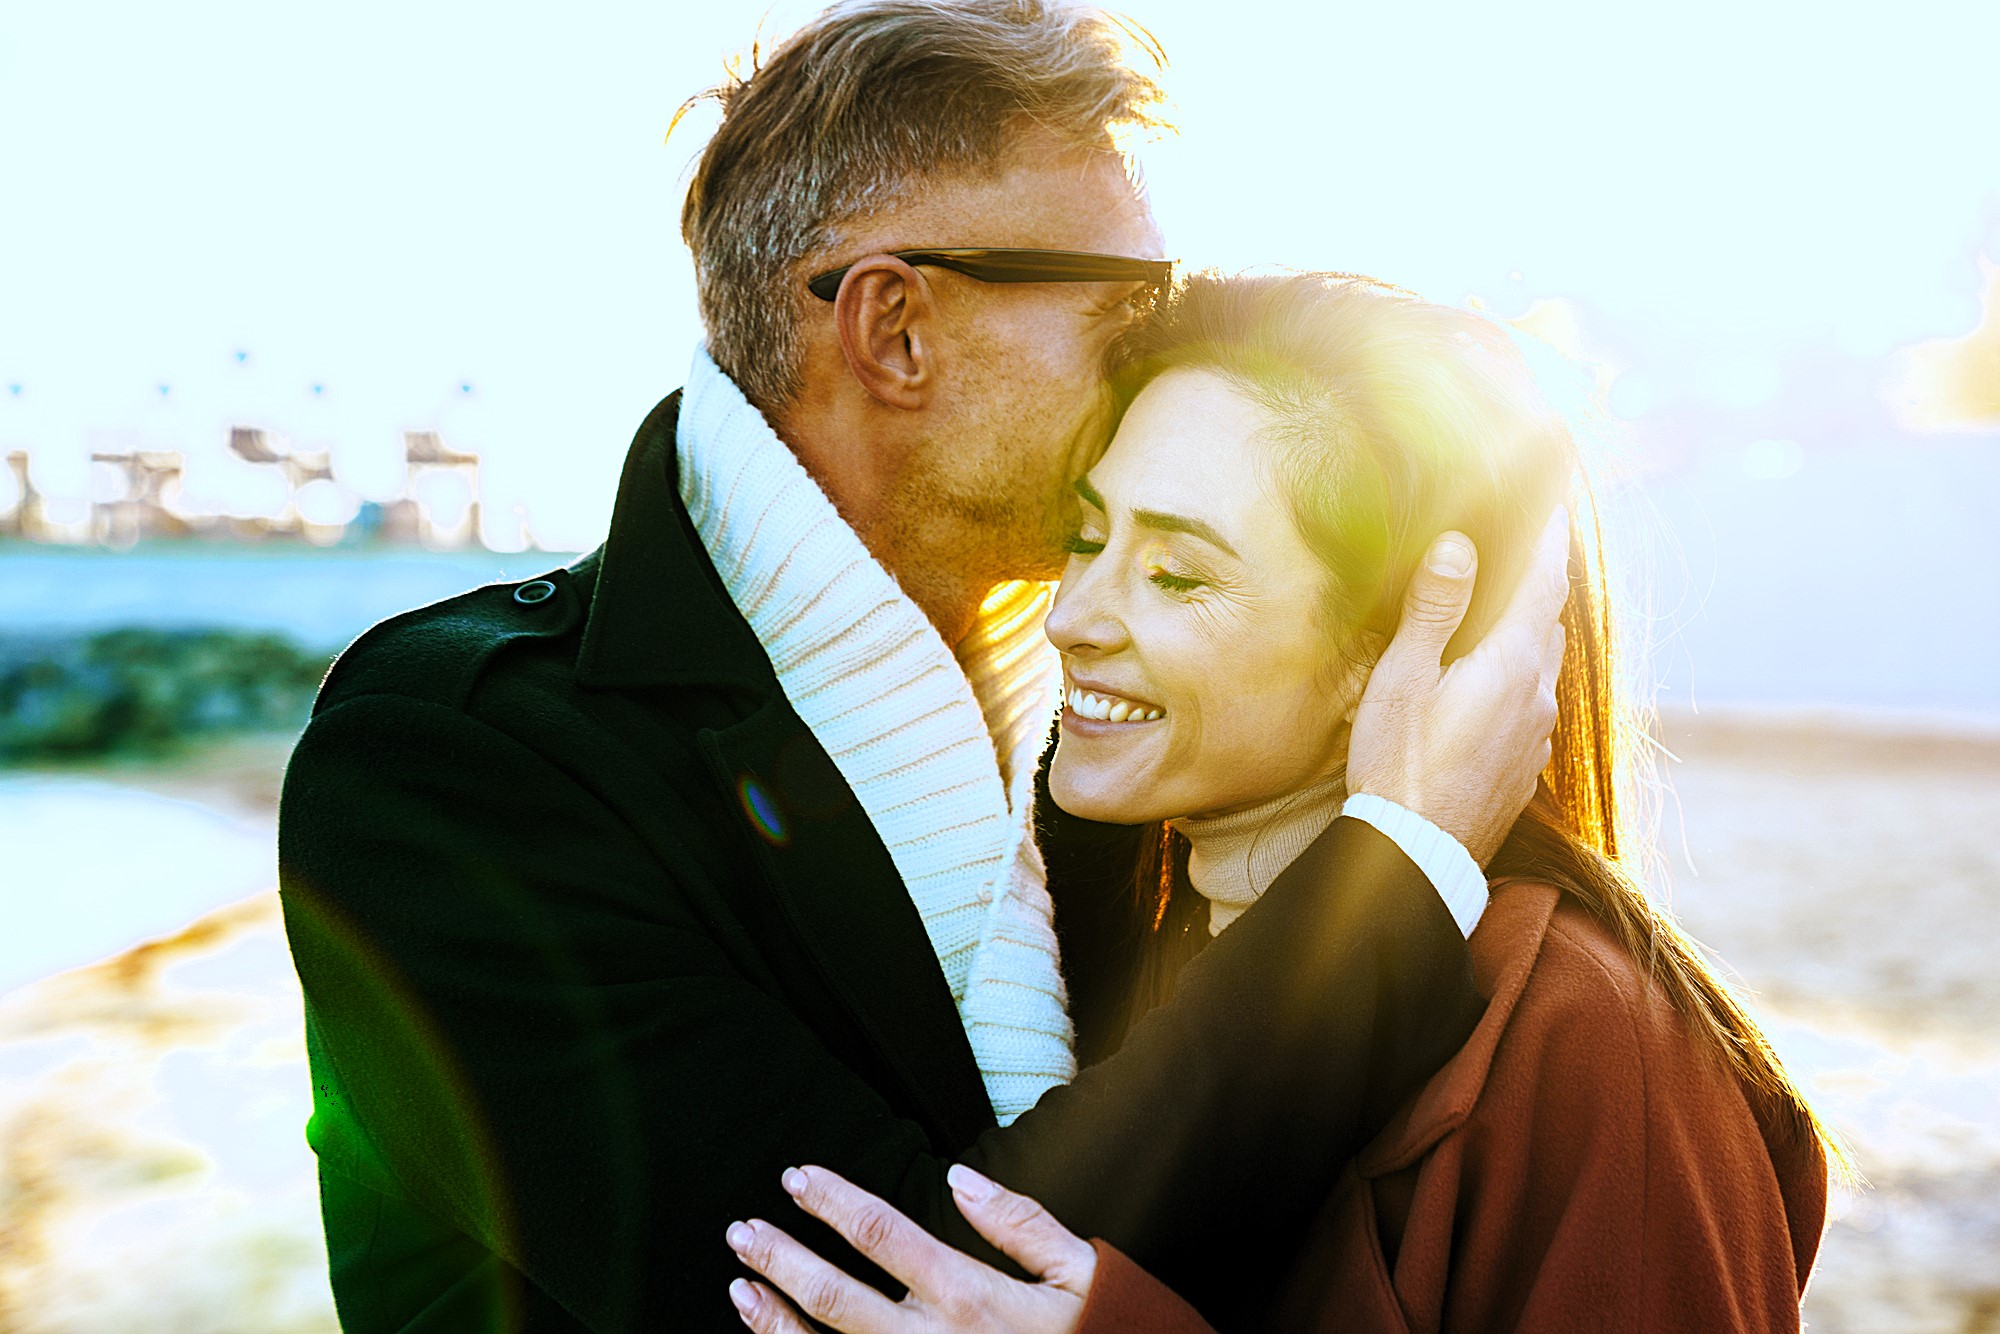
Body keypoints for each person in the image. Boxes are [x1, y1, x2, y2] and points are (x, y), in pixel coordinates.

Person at [276, 5, 1566, 1330]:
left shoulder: (1098, 734)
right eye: (1130, 312)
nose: (1166, 361)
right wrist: (1397, 871)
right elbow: (922, 1284)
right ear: (895, 329)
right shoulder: (454, 765)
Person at [721, 274, 1839, 1333]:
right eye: (1084, 535)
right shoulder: (1103, 958)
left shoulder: (1582, 1039)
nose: (1070, 617)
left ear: (1398, 648)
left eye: (1177, 574)